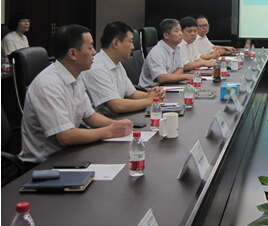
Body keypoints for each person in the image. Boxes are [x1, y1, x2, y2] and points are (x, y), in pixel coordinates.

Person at [19, 25, 133, 165]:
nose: (94, 52)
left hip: (69, 153)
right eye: (90, 48)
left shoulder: (75, 76)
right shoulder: (48, 84)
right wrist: (110, 131)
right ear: (73, 54)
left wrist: (118, 125)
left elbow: (90, 116)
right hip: (45, 164)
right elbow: (65, 136)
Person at [82, 21, 166, 118]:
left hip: (119, 118)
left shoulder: (117, 64)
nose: (133, 47)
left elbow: (132, 94)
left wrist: (155, 95)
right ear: (116, 43)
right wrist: (150, 101)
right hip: (105, 122)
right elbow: (117, 106)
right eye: (130, 42)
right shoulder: (97, 67)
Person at [139, 19, 194, 89]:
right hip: (150, 90)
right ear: (166, 35)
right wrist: (186, 76)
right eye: (177, 31)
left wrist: (171, 79)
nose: (181, 33)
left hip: (167, 86)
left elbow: (180, 68)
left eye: (180, 30)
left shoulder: (177, 47)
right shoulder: (156, 52)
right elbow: (161, 78)